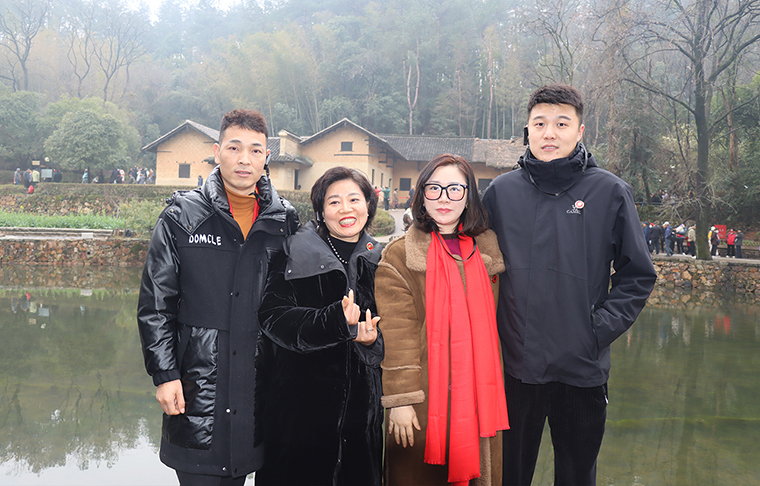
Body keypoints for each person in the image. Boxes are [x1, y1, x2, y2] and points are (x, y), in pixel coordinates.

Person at [482, 84, 656, 486]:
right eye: (540, 124)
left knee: (577, 476)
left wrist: (595, 331)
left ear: (579, 131)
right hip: (515, 367)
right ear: (527, 130)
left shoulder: (610, 191)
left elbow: (637, 275)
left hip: (581, 368)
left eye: (561, 124)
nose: (549, 133)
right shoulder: (501, 193)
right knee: (508, 475)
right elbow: (473, 264)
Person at [137, 109, 299, 486]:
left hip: (257, 386)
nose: (244, 159)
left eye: (255, 150)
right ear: (217, 151)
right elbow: (156, 304)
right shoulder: (181, 215)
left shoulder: (284, 221)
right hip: (198, 387)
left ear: (266, 157)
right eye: (234, 147)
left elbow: (294, 305)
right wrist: (165, 374)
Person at [377, 154, 509, 486]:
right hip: (425, 397)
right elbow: (398, 333)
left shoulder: (487, 249)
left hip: (480, 396)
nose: (444, 198)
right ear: (421, 195)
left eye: (455, 189)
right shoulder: (400, 255)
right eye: (434, 188)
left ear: (469, 196)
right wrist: (402, 400)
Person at [255, 166, 383, 486]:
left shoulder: (382, 260)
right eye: (334, 202)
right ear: (321, 211)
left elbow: (401, 335)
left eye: (354, 199)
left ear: (369, 205)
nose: (345, 209)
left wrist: (372, 342)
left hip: (360, 422)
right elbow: (272, 317)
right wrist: (333, 320)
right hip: (298, 418)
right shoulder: (294, 252)